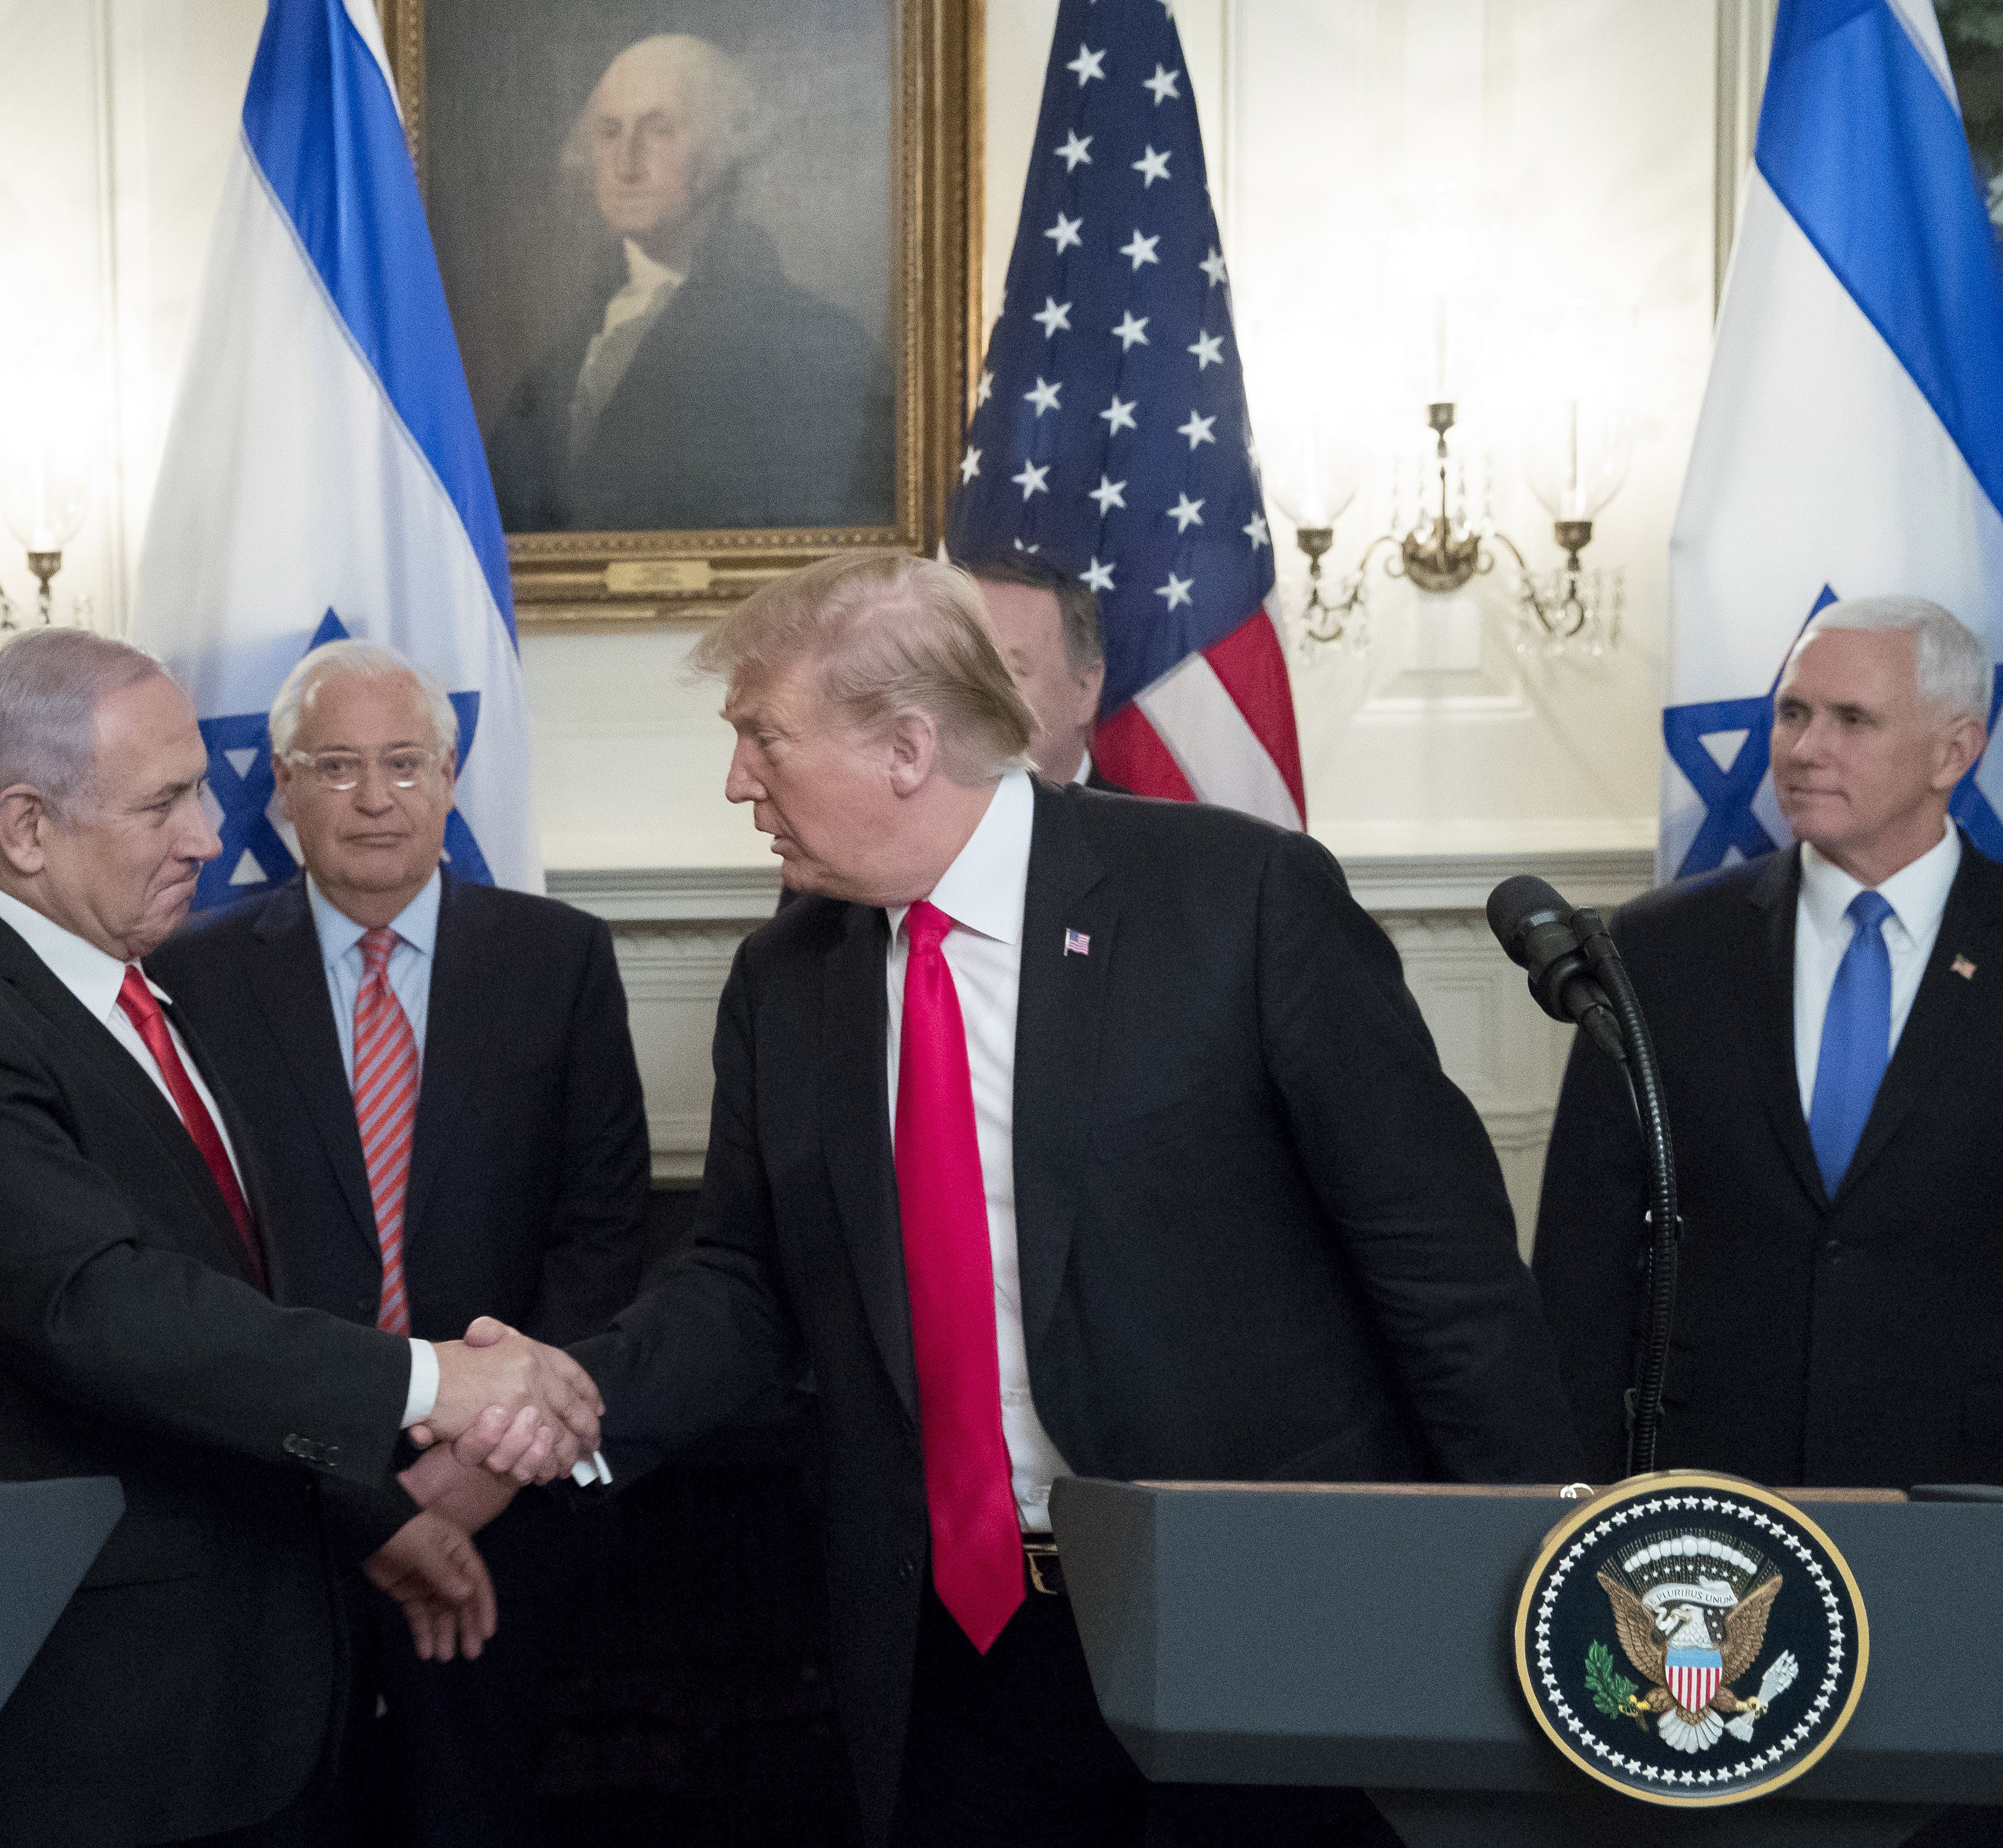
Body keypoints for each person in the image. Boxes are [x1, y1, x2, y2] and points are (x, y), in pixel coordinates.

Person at [567, 552, 1582, 1847]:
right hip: (957, 1651)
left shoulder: (1238, 900)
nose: (736, 781)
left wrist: (1541, 1578)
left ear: (905, 747)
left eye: (762, 736)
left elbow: (1442, 1273)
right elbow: (742, 1282)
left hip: (1251, 1609)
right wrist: (566, 1398)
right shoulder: (786, 978)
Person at [0, 627, 604, 1848]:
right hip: (74, 1728)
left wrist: (371, 1510)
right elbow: (107, 1311)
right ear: (26, 827)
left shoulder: (133, 993)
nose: (207, 836)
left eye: (198, 792)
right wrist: (434, 1380)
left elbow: (234, 1304)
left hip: (220, 1705)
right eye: (165, 803)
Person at [151, 638, 651, 1847]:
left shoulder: (558, 959)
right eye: (335, 766)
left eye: (403, 763)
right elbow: (193, 1269)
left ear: (450, 775)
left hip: (503, 1498)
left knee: (465, 1812)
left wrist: (485, 1469)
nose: (373, 797)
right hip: (272, 1503)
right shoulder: (188, 977)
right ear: (280, 785)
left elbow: (600, 1237)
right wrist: (359, 1503)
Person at [1534, 595, 2003, 1489]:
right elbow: (1581, 1258)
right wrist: (1576, 1494)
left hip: (1964, 1488)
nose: (1802, 748)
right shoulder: (1658, 946)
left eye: (1851, 719)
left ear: (1954, 751)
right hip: (1707, 1481)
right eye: (1792, 712)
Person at [484, 33, 892, 533]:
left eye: (659, 131)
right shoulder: (562, 356)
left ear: (723, 150)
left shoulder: (817, 344)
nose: (626, 165)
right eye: (609, 132)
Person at [964, 552, 1126, 793]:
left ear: (1086, 689)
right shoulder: (921, 814)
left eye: (1011, 672)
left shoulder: (1135, 819)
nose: (978, 697)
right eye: (965, 669)